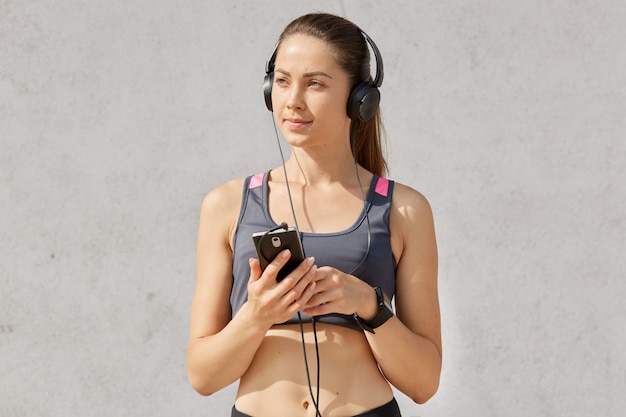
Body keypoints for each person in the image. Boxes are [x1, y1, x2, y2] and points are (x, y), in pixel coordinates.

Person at [187, 12, 441, 417]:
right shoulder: (227, 204)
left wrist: (369, 305)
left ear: (360, 99)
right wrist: (258, 315)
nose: (293, 100)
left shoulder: (405, 210)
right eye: (284, 81)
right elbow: (202, 376)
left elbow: (425, 382)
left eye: (315, 83)